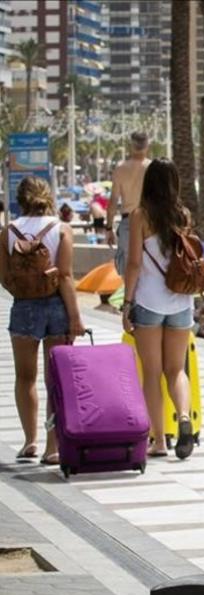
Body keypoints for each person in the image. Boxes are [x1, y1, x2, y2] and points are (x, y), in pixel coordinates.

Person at [0, 176, 86, 465]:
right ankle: (53, 447)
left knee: (25, 378)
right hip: (57, 308)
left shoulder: (6, 232)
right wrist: (75, 317)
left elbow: (4, 278)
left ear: (20, 199)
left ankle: (29, 442)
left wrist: (25, 292)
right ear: (48, 197)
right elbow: (65, 276)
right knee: (56, 380)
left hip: (23, 307)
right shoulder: (61, 229)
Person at [120, 159, 199, 461]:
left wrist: (127, 304)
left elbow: (134, 264)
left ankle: (159, 441)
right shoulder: (183, 215)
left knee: (152, 372)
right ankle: (183, 417)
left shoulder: (141, 215)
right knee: (176, 369)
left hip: (149, 302)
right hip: (180, 302)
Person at [107, 131, 151, 278]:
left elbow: (113, 200)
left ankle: (129, 299)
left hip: (128, 221)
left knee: (128, 270)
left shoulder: (120, 169)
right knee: (149, 269)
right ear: (147, 146)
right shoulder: (152, 168)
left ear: (131, 146)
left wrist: (109, 228)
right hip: (149, 221)